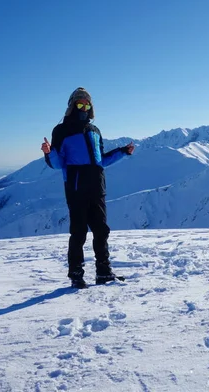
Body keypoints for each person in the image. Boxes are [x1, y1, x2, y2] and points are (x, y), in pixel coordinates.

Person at [41, 87, 135, 288]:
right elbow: (58, 164)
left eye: (87, 104)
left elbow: (101, 160)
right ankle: (76, 274)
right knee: (79, 232)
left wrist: (123, 152)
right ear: (72, 105)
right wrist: (49, 153)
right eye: (80, 103)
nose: (84, 107)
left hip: (97, 187)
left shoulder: (95, 130)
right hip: (76, 188)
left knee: (101, 230)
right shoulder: (62, 130)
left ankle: (104, 272)